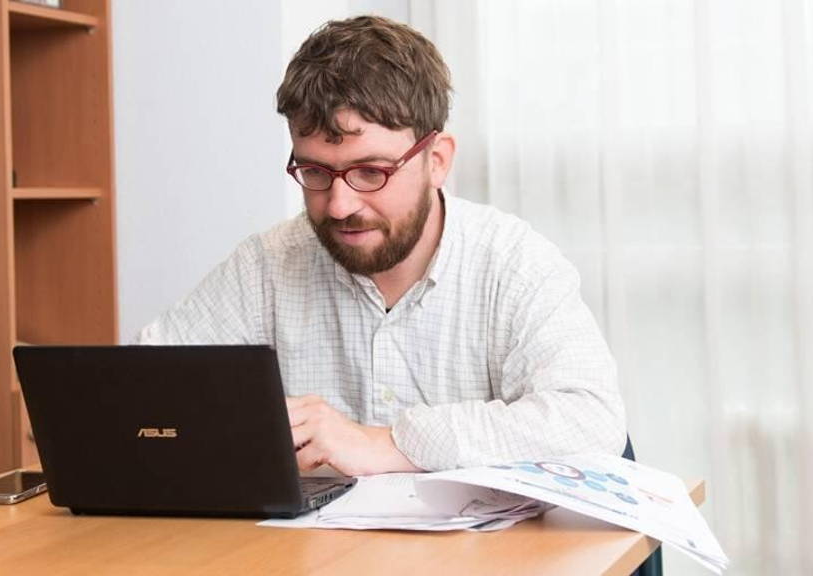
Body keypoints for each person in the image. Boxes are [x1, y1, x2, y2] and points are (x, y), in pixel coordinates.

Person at [136, 15, 626, 476]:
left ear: (437, 160)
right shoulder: (268, 265)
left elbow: (591, 420)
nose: (339, 205)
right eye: (315, 172)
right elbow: (139, 391)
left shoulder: (513, 265)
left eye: (371, 171)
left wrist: (389, 444)